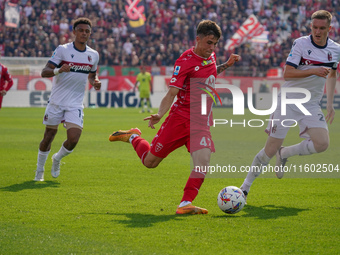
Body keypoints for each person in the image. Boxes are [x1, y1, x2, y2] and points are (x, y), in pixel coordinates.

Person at [109, 20, 240, 214]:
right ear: (198, 39)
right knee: (150, 162)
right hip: (179, 119)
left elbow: (210, 73)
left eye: (215, 44)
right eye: (209, 42)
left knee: (203, 161)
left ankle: (185, 203)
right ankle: (133, 136)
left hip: (200, 122)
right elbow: (171, 93)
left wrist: (226, 65)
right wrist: (160, 114)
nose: (212, 47)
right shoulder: (185, 61)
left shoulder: (210, 55)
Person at [240, 10, 339, 201]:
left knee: (322, 143)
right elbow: (288, 73)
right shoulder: (301, 43)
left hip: (310, 104)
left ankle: (285, 153)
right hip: (289, 100)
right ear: (311, 26)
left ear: (329, 29)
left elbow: (332, 74)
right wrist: (313, 70)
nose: (317, 32)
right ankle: (244, 188)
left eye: (322, 28)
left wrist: (329, 104)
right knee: (269, 149)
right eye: (314, 27)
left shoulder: (335, 49)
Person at [34, 17, 101, 181]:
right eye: (81, 30)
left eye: (87, 31)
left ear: (90, 34)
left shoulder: (93, 55)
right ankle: (39, 171)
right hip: (56, 102)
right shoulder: (63, 50)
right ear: (74, 32)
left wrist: (95, 82)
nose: (84, 33)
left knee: (73, 139)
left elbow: (91, 76)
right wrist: (58, 70)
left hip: (75, 104)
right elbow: (44, 72)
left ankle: (56, 159)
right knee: (48, 137)